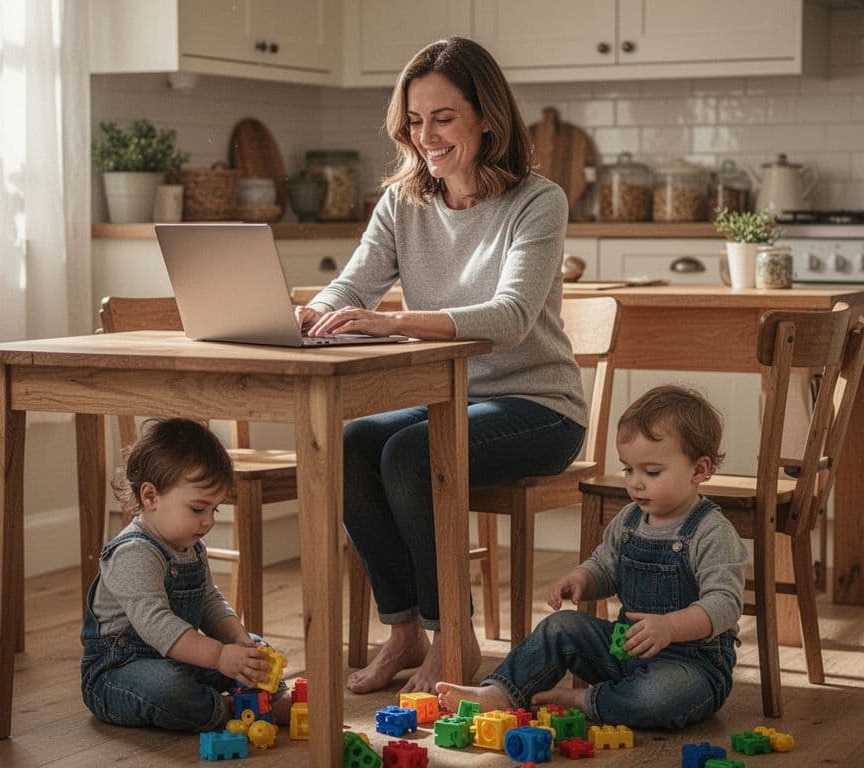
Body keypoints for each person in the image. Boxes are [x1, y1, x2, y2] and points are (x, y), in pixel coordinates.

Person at [295, 37, 588, 694]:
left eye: (444, 117)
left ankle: (451, 635)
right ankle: (402, 631)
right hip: (452, 399)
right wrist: (313, 313)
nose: (426, 135)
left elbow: (510, 317)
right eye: (415, 120)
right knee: (351, 443)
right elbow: (353, 285)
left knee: (410, 453)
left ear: (486, 116)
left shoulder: (538, 201)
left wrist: (394, 321)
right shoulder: (405, 201)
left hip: (538, 409)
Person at [436, 385, 749, 730]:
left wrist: (670, 627)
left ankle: (586, 701)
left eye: (652, 472)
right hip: (624, 649)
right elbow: (605, 566)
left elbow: (725, 603)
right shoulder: (629, 521)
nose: (636, 483)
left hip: (692, 666)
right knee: (560, 627)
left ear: (699, 470)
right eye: (629, 469)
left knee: (658, 696)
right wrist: (582, 579)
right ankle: (500, 692)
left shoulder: (712, 532)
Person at [80, 418, 290, 731]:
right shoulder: (132, 552)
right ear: (150, 497)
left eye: (214, 510)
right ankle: (226, 707)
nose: (207, 522)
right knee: (167, 688)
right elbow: (158, 627)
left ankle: (271, 696)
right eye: (197, 509)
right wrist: (220, 656)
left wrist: (239, 641)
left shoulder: (191, 547)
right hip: (120, 671)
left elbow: (209, 601)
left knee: (256, 648)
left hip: (182, 659)